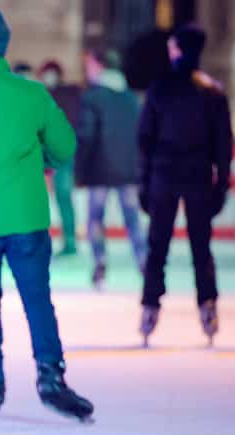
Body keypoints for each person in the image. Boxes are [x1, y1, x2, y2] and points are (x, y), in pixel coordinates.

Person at [0, 11, 94, 423]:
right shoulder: (33, 94)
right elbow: (64, 147)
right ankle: (50, 373)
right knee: (37, 298)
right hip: (25, 217)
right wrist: (38, 158)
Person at [138, 23, 232, 346]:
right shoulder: (213, 92)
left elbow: (145, 140)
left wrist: (144, 182)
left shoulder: (159, 88)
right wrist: (222, 183)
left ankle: (150, 306)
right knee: (201, 247)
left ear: (178, 49)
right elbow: (223, 144)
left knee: (157, 247)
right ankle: (207, 305)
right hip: (197, 175)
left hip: (165, 175)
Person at [76, 48, 145, 289]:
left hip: (100, 168)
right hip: (128, 169)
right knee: (133, 219)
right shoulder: (131, 99)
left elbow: (86, 135)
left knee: (95, 219)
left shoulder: (93, 97)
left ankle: (100, 264)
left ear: (99, 65)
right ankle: (144, 262)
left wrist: (80, 170)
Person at [38, 59, 82, 257]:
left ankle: (70, 241)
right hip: (50, 155)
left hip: (61, 156)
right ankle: (64, 240)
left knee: (63, 197)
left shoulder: (66, 94)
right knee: (54, 198)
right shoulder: (44, 94)